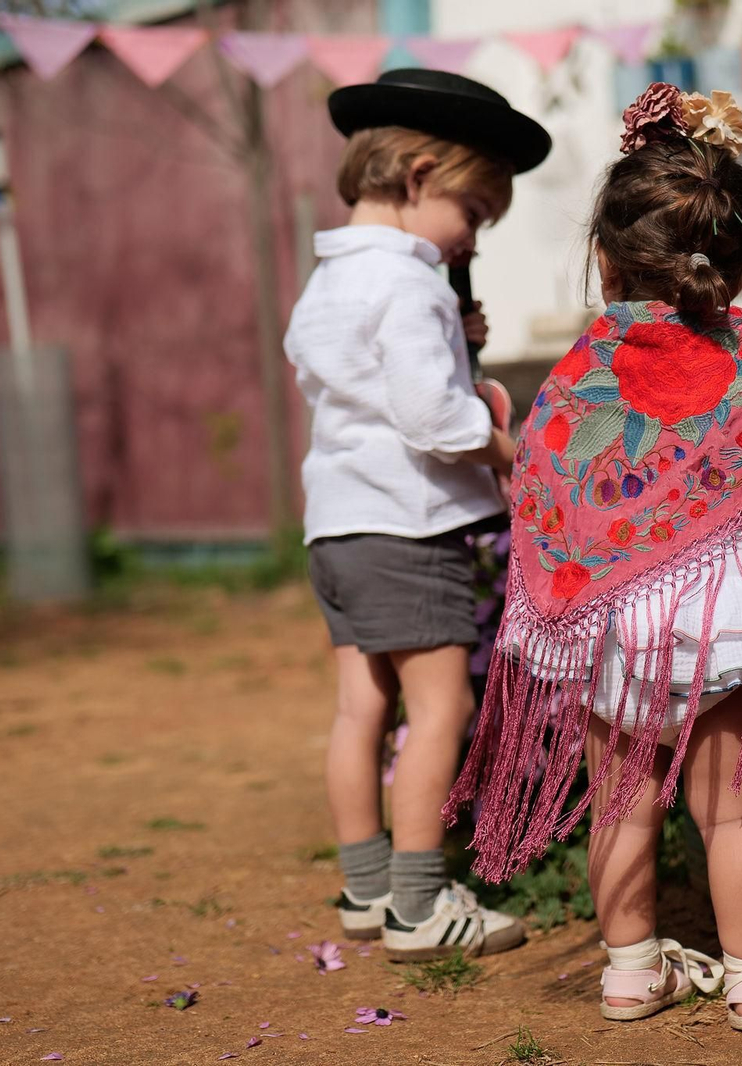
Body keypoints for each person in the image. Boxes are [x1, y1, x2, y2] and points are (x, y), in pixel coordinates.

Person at [444, 83, 742, 1030]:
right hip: (722, 618)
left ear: (604, 258)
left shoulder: (574, 377)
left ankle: (630, 971)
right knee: (734, 815)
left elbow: (552, 477)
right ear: (738, 266)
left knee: (622, 803)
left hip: (610, 616)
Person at [284, 69, 550, 961]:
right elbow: (433, 419)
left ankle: (365, 890)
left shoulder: (328, 282)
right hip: (408, 528)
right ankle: (418, 906)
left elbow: (362, 386)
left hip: (338, 528)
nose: (470, 235)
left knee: (362, 708)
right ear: (419, 176)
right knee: (443, 708)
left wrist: (452, 343)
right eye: (473, 213)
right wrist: (506, 449)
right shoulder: (410, 289)